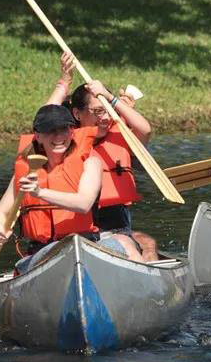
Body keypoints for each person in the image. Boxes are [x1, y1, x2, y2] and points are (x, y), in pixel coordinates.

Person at [0, 104, 143, 275]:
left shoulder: (91, 163)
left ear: (72, 132)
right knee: (63, 251)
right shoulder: (26, 173)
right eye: (51, 131)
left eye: (64, 129)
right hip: (41, 252)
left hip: (86, 245)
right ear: (38, 136)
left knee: (127, 248)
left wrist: (40, 192)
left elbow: (84, 204)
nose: (59, 136)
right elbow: (0, 214)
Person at [47, 52, 159, 261]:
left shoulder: (121, 136)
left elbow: (145, 129)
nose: (105, 118)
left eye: (107, 110)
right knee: (131, 243)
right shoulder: (61, 140)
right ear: (77, 114)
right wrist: (65, 81)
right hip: (76, 228)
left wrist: (111, 99)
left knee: (141, 244)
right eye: (98, 111)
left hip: (116, 226)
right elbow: (43, 118)